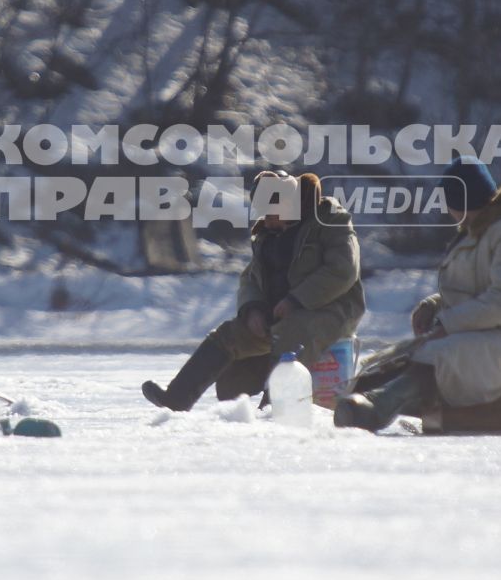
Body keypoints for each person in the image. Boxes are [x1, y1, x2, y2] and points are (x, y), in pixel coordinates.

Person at [335, 157, 501, 432]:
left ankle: (377, 408)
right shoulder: (478, 232)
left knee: (438, 355)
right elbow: (474, 291)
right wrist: (433, 306)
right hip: (481, 334)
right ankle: (361, 396)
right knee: (389, 364)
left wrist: (449, 323)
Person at [141, 170, 364, 411]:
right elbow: (250, 277)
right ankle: (176, 399)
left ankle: (274, 408)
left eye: (271, 213)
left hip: (330, 311)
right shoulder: (268, 235)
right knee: (228, 339)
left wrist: (296, 300)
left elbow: (342, 270)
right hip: (279, 315)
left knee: (292, 334)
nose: (267, 220)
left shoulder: (330, 220)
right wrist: (253, 309)